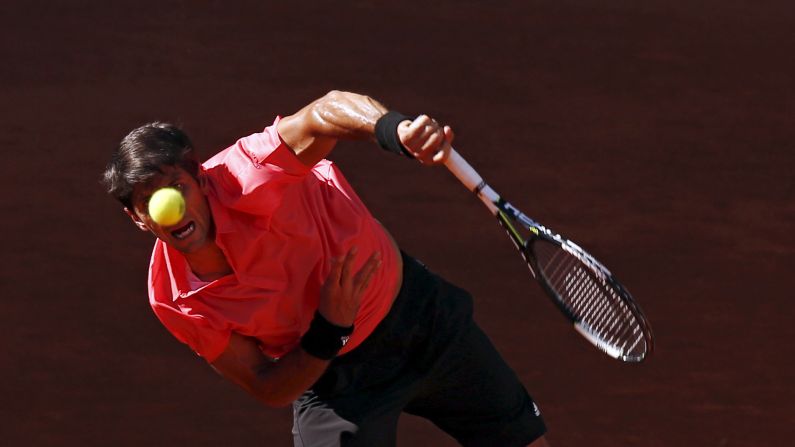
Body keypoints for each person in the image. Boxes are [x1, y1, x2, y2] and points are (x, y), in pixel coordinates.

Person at [103, 90, 549, 446]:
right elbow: (267, 385)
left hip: (420, 318)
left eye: (177, 187)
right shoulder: (173, 298)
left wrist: (395, 130)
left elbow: (323, 112)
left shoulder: (249, 172)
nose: (172, 210)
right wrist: (329, 329)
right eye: (148, 200)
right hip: (334, 377)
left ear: (200, 182)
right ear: (137, 218)